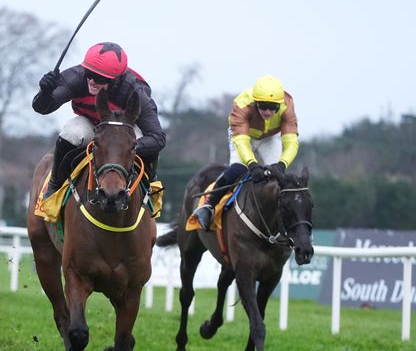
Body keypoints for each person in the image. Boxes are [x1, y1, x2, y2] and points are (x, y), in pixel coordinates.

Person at [32, 42, 166, 199]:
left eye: (100, 78)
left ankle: (150, 189)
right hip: (90, 123)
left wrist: (127, 146)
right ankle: (54, 185)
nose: (92, 81)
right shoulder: (77, 77)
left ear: (116, 80)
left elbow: (158, 138)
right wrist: (45, 92)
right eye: (89, 73)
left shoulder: (135, 91)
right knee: (71, 133)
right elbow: (42, 108)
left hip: (123, 132)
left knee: (148, 147)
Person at [192, 75, 300, 230]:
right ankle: (209, 205)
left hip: (270, 138)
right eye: (263, 106)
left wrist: (282, 164)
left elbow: (291, 142)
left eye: (273, 107)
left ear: (280, 105)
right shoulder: (242, 104)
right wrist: (252, 164)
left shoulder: (287, 105)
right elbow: (242, 142)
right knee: (238, 169)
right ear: (255, 102)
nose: (268, 111)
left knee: (277, 176)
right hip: (243, 136)